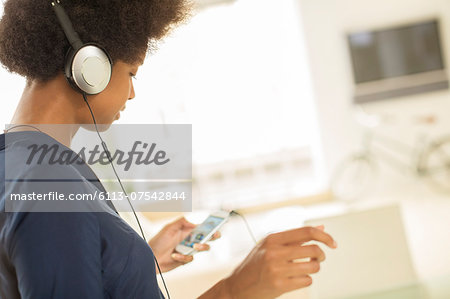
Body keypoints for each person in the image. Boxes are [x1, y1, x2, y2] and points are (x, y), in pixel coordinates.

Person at [0, 0, 337, 298]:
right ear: (90, 67)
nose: (131, 93)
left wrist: (135, 261)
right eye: (132, 72)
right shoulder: (48, 181)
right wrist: (234, 291)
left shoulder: (19, 162)